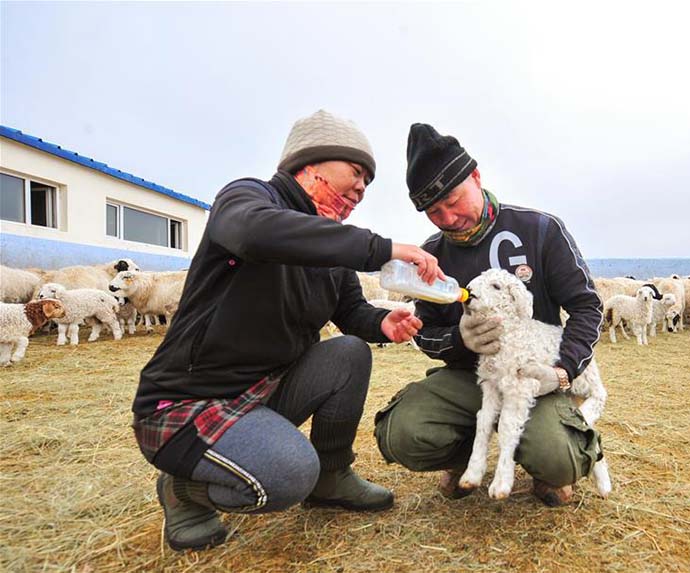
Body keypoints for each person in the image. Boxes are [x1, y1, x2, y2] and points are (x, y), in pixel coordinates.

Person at [132, 110, 443, 551]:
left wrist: (381, 321)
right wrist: (380, 248)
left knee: (351, 351)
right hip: (190, 401)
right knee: (289, 474)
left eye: (367, 183)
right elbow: (256, 234)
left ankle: (332, 475)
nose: (361, 188)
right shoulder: (248, 200)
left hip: (263, 392)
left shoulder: (329, 246)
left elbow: (352, 312)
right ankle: (184, 489)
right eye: (355, 173)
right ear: (311, 163)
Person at [374, 123, 605, 506]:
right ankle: (464, 455)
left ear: (476, 177)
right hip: (471, 377)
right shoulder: (432, 256)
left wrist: (562, 371)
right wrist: (458, 340)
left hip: (534, 375)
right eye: (434, 211)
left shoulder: (540, 230)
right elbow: (424, 330)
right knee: (404, 432)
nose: (448, 218)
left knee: (559, 457)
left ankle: (546, 467)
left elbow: (587, 307)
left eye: (454, 200)